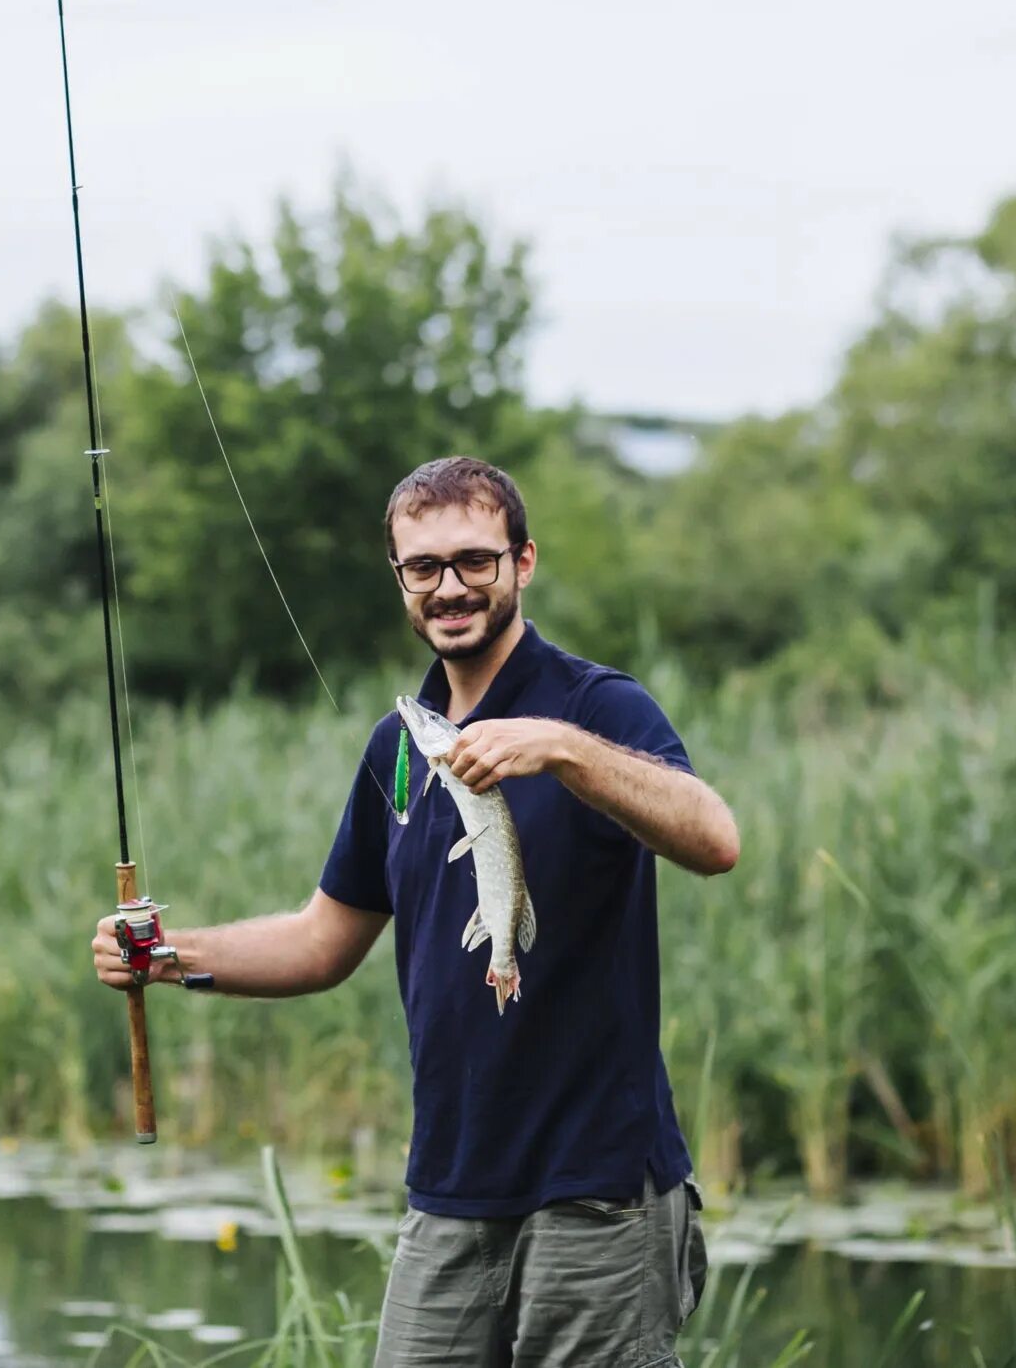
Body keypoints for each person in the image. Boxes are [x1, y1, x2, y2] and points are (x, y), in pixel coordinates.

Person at [89, 455, 739, 1368]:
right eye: (423, 568)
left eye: (474, 560)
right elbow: (322, 941)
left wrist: (561, 751)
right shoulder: (399, 748)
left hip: (599, 1188)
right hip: (452, 1186)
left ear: (522, 561)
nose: (451, 588)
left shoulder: (595, 707)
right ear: (400, 579)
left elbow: (714, 837)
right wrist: (165, 955)